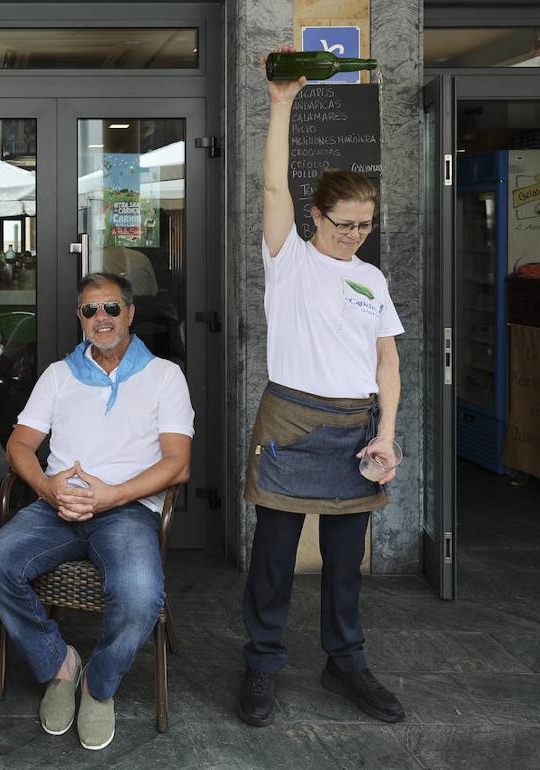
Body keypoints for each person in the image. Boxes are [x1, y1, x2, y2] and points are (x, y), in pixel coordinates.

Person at [236, 48, 406, 729]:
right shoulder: (290, 261)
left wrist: (387, 431)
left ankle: (347, 662)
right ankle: (261, 663)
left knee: (345, 559)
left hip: (354, 427)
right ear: (315, 216)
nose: (353, 236)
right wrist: (281, 104)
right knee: (274, 558)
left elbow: (387, 363)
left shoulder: (373, 278)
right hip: (291, 421)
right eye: (343, 224)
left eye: (364, 225)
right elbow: (272, 190)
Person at [0, 272, 193, 751]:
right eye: (90, 310)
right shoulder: (59, 375)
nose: (101, 319)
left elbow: (178, 465)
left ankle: (98, 686)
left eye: (111, 309)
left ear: (130, 314)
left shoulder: (164, 375)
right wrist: (46, 486)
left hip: (126, 510)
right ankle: (59, 665)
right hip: (55, 507)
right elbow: (20, 444)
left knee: (141, 593)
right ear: (80, 318)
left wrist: (112, 495)